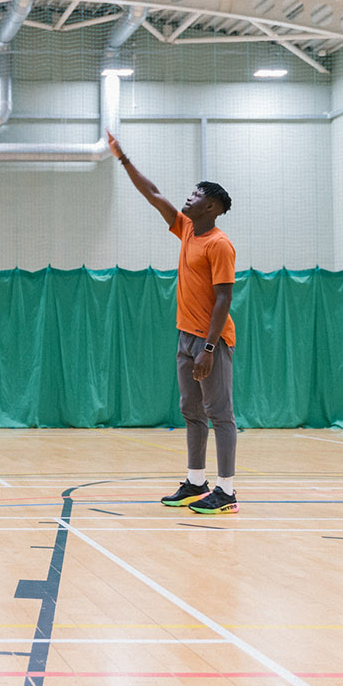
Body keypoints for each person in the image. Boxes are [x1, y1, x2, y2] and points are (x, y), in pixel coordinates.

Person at [106, 132, 239, 514]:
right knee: (191, 412)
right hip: (185, 337)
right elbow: (153, 194)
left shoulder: (219, 244)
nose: (189, 198)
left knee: (221, 415)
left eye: (197, 195)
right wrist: (124, 159)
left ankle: (226, 491)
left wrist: (209, 349)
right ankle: (196, 483)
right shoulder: (185, 230)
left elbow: (224, 298)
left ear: (210, 206)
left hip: (211, 341)